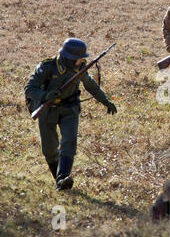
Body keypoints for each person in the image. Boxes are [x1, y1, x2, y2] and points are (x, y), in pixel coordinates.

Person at [24, 38, 117, 191]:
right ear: (69, 58)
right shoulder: (46, 67)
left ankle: (62, 178)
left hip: (70, 108)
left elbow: (90, 86)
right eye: (79, 58)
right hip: (47, 109)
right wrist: (45, 96)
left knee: (69, 142)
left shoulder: (79, 68)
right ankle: (58, 179)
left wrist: (105, 101)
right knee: (49, 148)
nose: (82, 60)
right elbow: (29, 88)